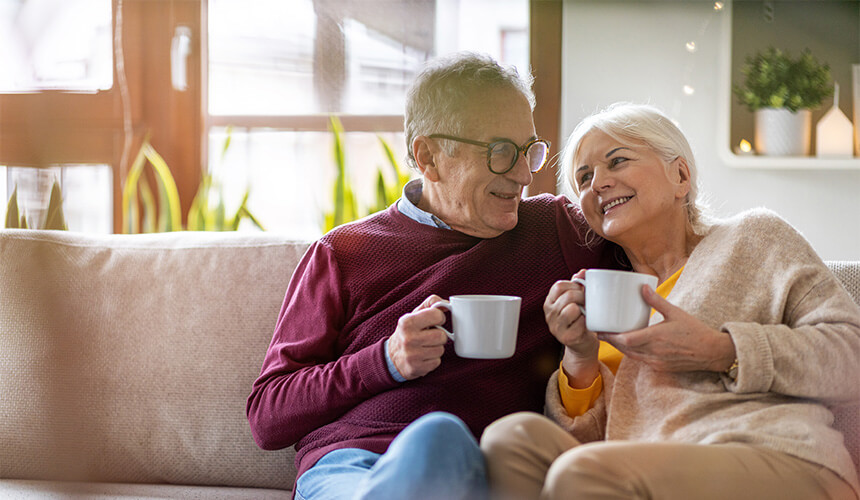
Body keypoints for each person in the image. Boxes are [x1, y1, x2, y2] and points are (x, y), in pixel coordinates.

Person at [246, 52, 619, 500]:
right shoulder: (343, 252)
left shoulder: (557, 231)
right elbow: (268, 416)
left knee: (444, 440)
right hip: (355, 466)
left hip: (487, 470)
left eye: (529, 151)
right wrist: (385, 360)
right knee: (436, 438)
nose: (523, 175)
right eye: (501, 152)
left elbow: (664, 249)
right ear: (429, 158)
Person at [480, 102, 860, 500]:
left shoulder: (753, 238)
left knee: (586, 473)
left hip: (777, 456)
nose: (598, 184)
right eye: (585, 177)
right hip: (640, 468)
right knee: (512, 438)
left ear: (680, 176)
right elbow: (602, 440)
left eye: (618, 161)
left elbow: (851, 353)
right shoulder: (609, 299)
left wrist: (723, 351)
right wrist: (580, 353)